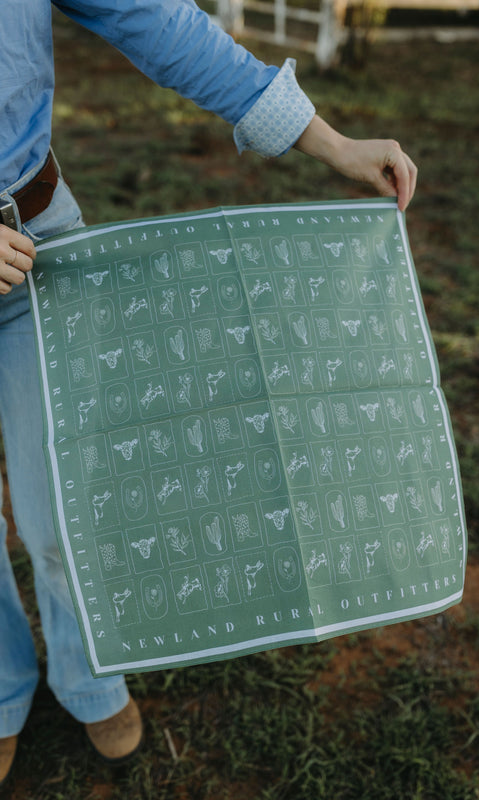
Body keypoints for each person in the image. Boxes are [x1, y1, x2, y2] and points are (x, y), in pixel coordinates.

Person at [0, 0, 417, 785]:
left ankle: (90, 678)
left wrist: (325, 140)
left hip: (41, 239)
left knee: (67, 498)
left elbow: (149, 16)